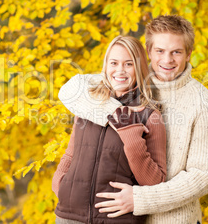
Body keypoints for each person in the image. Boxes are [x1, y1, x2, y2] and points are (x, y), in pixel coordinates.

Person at [58, 15, 208, 224]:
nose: (167, 60)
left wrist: (140, 199)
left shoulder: (203, 103)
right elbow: (70, 89)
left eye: (176, 52)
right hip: (117, 217)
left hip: (171, 220)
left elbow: (201, 178)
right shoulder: (125, 79)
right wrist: (119, 115)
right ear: (148, 52)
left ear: (189, 54)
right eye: (160, 51)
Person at [52, 36, 167, 224]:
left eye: (128, 64)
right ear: (106, 65)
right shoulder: (90, 104)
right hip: (68, 216)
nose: (120, 70)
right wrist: (60, 184)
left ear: (139, 68)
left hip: (116, 219)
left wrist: (132, 138)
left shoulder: (149, 116)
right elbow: (70, 155)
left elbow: (155, 182)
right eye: (114, 63)